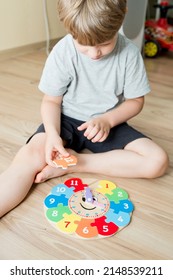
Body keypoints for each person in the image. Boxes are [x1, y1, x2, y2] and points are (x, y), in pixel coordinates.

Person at [0, 0, 169, 218]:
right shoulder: (63, 52)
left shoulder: (128, 53)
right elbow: (51, 101)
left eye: (104, 43)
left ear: (121, 17)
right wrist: (52, 134)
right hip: (65, 120)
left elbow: (135, 101)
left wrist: (108, 120)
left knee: (157, 161)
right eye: (83, 45)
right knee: (29, 156)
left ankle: (74, 164)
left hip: (108, 123)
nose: (94, 54)